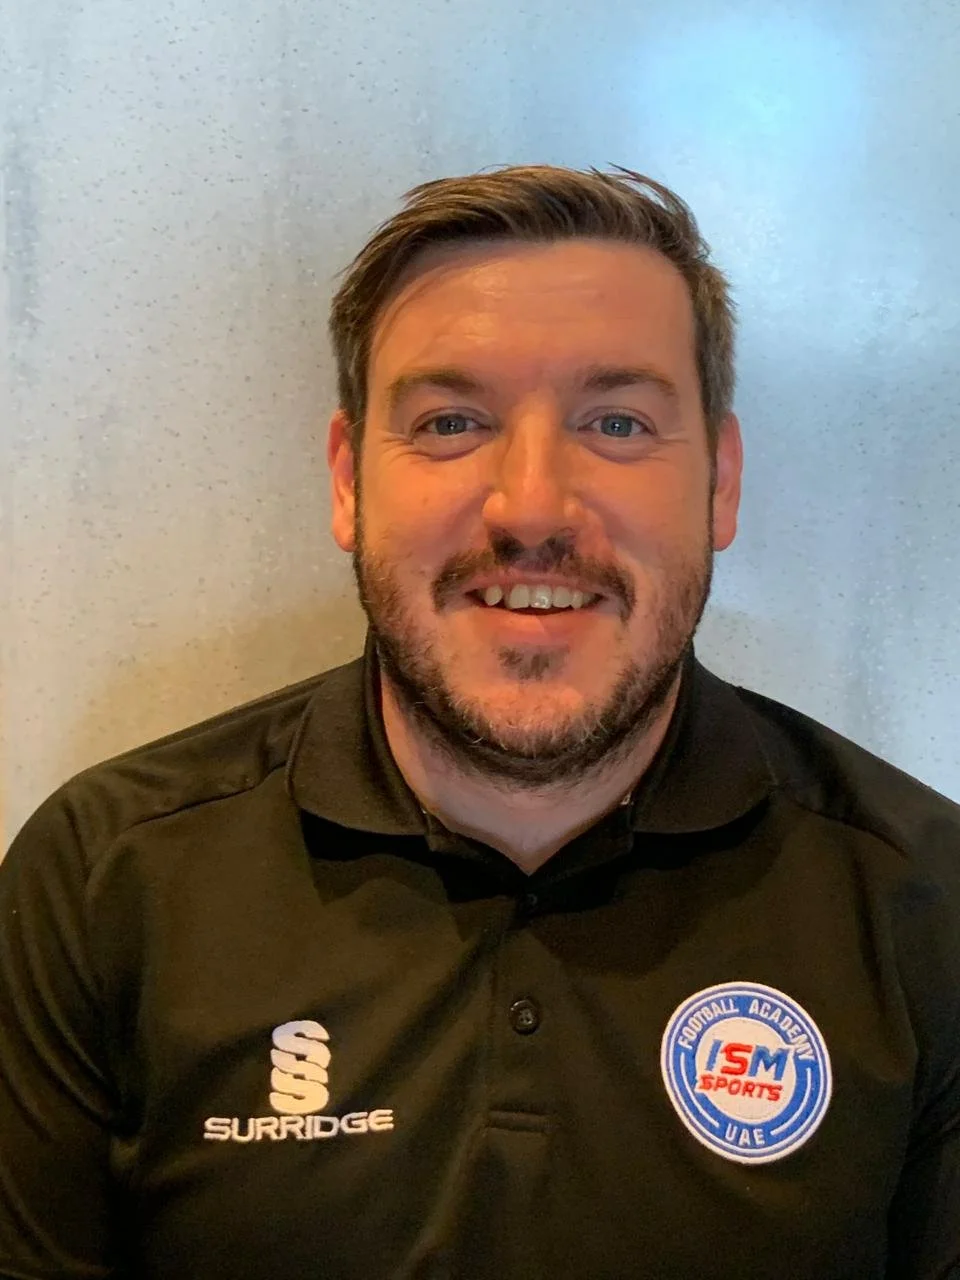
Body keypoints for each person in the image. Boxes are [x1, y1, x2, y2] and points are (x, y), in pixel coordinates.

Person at [1, 165, 958, 1280]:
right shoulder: (105, 881)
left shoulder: (922, 904)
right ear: (350, 481)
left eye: (618, 421)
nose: (532, 506)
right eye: (450, 422)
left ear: (720, 483)